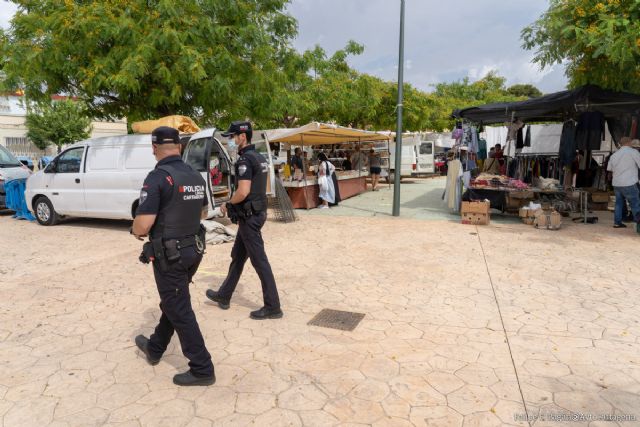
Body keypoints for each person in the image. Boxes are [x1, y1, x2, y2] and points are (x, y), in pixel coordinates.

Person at [131, 126, 214, 386]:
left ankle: (202, 368)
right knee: (174, 299)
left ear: (154, 148)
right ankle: (155, 347)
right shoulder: (195, 175)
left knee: (179, 307)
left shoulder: (157, 178)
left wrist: (135, 230)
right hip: (194, 251)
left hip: (170, 255)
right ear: (179, 147)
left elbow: (143, 225)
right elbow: (203, 213)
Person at [206, 121, 283, 319]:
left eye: (232, 137)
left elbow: (243, 191)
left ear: (242, 137)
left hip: (250, 218)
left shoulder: (245, 160)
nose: (230, 141)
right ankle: (224, 295)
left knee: (260, 262)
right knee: (238, 256)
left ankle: (273, 306)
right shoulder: (259, 157)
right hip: (254, 214)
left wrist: (227, 204)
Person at [607, 136, 640, 230]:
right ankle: (638, 226)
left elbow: (609, 169)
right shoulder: (633, 152)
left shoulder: (614, 155)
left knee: (618, 203)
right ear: (629, 143)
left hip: (617, 183)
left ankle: (617, 223)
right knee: (635, 204)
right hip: (629, 182)